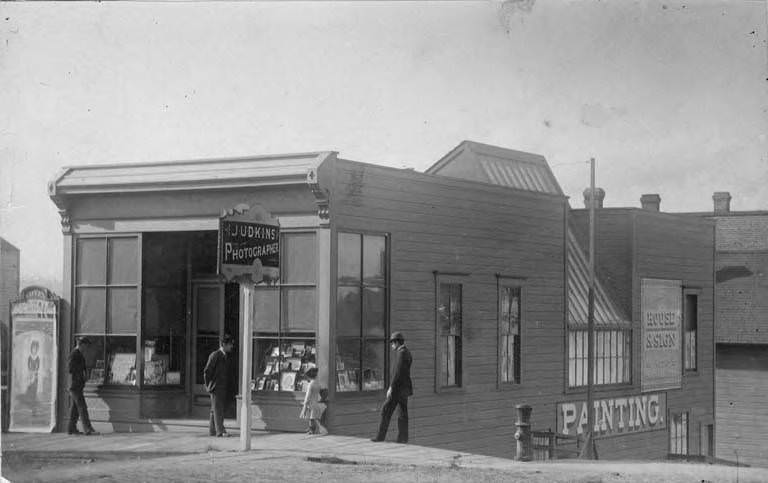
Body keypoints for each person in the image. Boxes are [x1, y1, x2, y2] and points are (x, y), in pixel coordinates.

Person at [371, 331, 413, 443]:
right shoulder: (407, 352)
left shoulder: (401, 353)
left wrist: (391, 387)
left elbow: (397, 373)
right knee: (402, 414)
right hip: (404, 389)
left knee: (385, 410)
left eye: (393, 343)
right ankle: (402, 439)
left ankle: (380, 437)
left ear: (397, 342)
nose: (392, 345)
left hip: (398, 389)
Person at [203, 334, 234, 437]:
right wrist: (208, 386)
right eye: (230, 344)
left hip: (221, 387)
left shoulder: (225, 356)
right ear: (224, 344)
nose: (231, 346)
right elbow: (207, 372)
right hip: (216, 387)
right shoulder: (215, 355)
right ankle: (220, 431)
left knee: (214, 409)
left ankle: (212, 430)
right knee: (218, 409)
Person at [67, 336, 98, 435]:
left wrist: (85, 374)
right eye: (86, 346)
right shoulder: (74, 354)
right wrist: (82, 373)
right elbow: (70, 368)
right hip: (74, 386)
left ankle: (71, 428)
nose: (86, 348)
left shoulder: (79, 354)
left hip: (78, 385)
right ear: (81, 345)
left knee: (75, 408)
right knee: (82, 407)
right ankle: (88, 429)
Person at [299, 368, 327, 435]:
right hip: (315, 402)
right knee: (312, 417)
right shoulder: (317, 383)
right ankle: (312, 429)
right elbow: (322, 392)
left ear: (309, 376)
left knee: (312, 418)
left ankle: (312, 430)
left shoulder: (310, 384)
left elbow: (307, 396)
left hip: (311, 403)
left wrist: (305, 404)